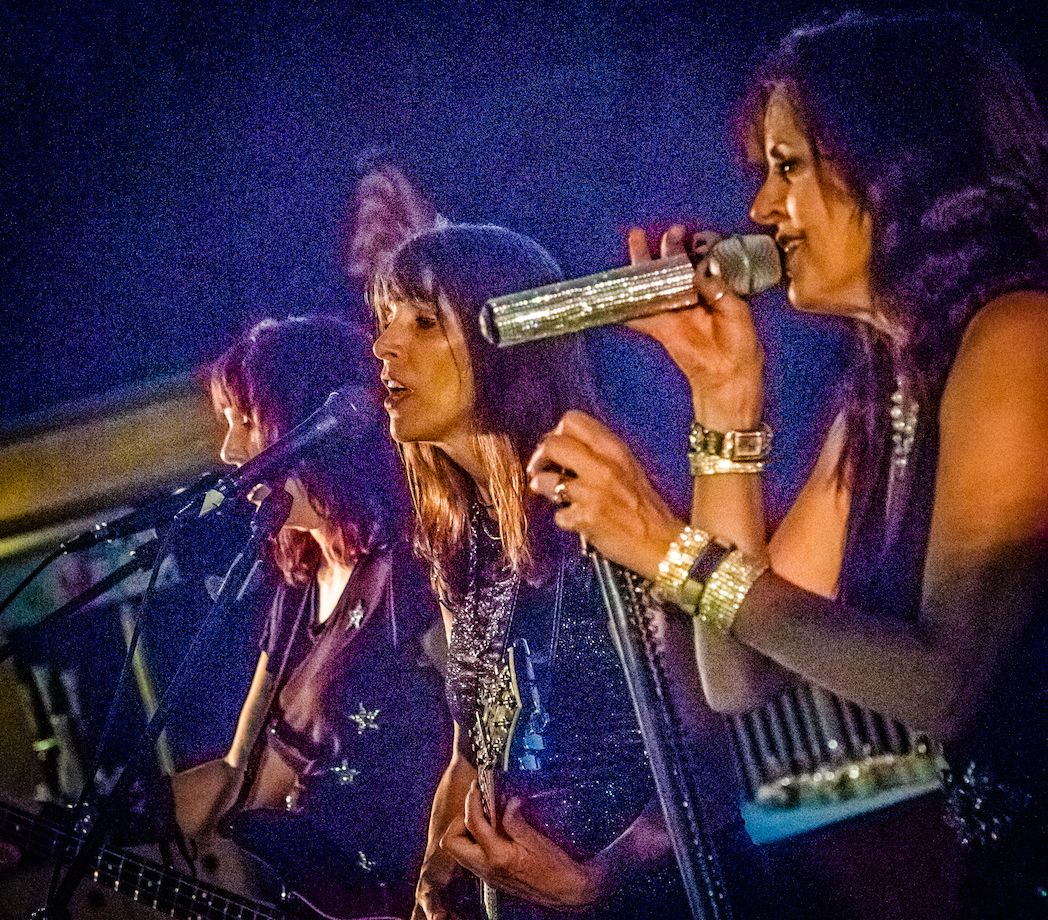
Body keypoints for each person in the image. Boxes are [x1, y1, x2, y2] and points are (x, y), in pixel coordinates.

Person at [527, 11, 1048, 917]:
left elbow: (946, 686)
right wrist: (723, 401)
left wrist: (669, 549)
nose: (763, 210)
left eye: (790, 167)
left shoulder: (1019, 335)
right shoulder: (885, 389)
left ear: (894, 167)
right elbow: (736, 676)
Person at [371, 223, 729, 920]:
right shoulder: (464, 542)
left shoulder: (602, 504)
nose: (384, 346)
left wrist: (597, 880)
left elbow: (710, 759)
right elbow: (475, 746)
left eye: (422, 322)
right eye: (385, 322)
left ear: (509, 343)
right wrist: (434, 878)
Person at [172, 315, 449, 918]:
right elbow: (245, 777)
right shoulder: (293, 594)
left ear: (312, 427)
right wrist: (76, 825)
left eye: (246, 420)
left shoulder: (412, 568)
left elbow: (486, 742)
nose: (229, 452)